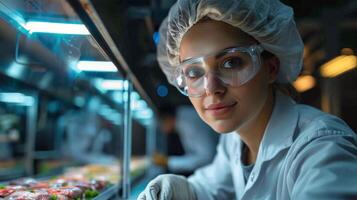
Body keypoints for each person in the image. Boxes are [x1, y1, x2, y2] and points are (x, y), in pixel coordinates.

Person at [138, 0, 357, 199]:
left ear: (271, 68)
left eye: (231, 62)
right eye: (194, 72)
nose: (211, 88)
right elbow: (210, 188)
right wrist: (173, 190)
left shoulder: (322, 148)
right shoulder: (236, 138)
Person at [152, 105, 219, 176]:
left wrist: (168, 161)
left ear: (167, 118)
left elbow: (207, 158)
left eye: (160, 125)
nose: (162, 130)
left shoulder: (188, 123)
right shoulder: (183, 118)